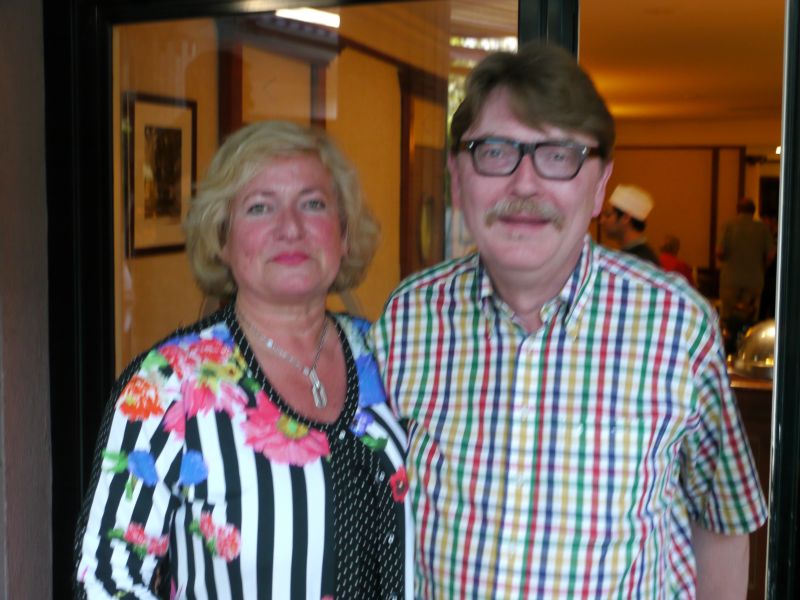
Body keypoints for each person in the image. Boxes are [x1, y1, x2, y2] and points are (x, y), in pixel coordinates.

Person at [370, 42, 766, 598]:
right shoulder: (407, 319)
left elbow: (722, 520)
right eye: (495, 151)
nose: (524, 184)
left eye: (559, 155)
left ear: (600, 185)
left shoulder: (678, 326)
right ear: (458, 178)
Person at [74, 121, 413, 599]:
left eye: (313, 204)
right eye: (259, 207)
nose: (290, 228)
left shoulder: (391, 354)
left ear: (344, 233)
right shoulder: (168, 385)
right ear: (222, 239)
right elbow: (106, 580)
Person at [717, 198, 776, 350]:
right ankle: (746, 348)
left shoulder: (728, 226)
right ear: (753, 211)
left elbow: (720, 251)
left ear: (738, 209)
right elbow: (771, 254)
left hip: (730, 280)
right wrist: (762, 267)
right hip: (754, 280)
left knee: (728, 318)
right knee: (749, 319)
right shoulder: (762, 228)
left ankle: (728, 349)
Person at [601, 183, 660, 264]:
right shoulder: (634, 254)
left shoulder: (640, 260)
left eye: (607, 215)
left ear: (626, 218)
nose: (602, 221)